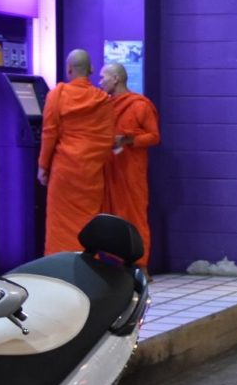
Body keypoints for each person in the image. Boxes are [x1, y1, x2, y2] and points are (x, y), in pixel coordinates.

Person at [38, 49, 115, 254]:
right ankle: (87, 267)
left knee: (60, 222)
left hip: (64, 169)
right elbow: (108, 138)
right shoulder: (103, 99)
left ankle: (59, 267)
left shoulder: (58, 94)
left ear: (69, 69)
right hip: (91, 171)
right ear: (91, 69)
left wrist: (43, 166)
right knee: (88, 219)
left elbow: (49, 133)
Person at [99, 62, 161, 270]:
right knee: (110, 215)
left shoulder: (139, 105)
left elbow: (154, 136)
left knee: (135, 216)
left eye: (103, 78)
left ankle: (140, 264)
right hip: (109, 169)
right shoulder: (103, 105)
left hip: (132, 170)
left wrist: (127, 140)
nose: (100, 83)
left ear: (115, 79)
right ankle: (113, 264)